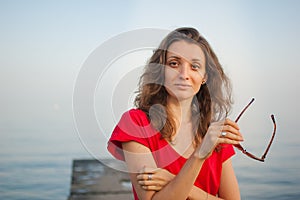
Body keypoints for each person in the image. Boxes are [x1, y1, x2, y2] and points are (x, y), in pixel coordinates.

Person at [107, 27, 243, 200]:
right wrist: (199, 155)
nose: (184, 74)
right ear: (160, 70)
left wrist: (171, 180)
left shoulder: (213, 133)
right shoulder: (136, 123)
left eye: (194, 66)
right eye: (174, 63)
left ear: (204, 77)